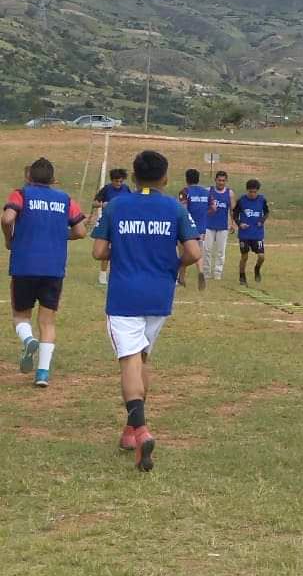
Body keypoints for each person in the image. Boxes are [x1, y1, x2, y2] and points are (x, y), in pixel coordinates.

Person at [92, 149, 202, 471]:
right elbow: (194, 251)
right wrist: (171, 262)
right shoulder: (173, 207)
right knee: (141, 358)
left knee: (129, 360)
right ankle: (130, 429)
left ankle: (141, 429)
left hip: (125, 295)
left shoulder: (116, 205)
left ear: (133, 176)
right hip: (159, 295)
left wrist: (123, 247)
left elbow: (99, 251)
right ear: (165, 178)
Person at [3, 158, 87, 387]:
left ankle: (28, 339)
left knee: (21, 315)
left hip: (24, 265)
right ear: (53, 180)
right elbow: (80, 231)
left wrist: (9, 238)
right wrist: (60, 235)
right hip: (54, 267)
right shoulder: (65, 199)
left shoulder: (21, 194)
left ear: (29, 176)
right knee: (48, 322)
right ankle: (42, 373)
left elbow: (7, 217)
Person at [90, 169, 131, 284]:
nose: (119, 184)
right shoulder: (106, 189)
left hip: (122, 221)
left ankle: (121, 272)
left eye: (121, 181)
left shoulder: (126, 189)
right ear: (112, 180)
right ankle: (103, 274)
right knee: (104, 247)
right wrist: (103, 204)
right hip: (108, 221)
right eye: (117, 181)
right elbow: (94, 203)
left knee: (122, 246)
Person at [178, 169, 212, 290]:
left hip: (187, 227)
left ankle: (181, 278)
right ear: (198, 179)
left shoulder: (185, 191)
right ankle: (201, 271)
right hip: (202, 227)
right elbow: (213, 207)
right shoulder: (206, 192)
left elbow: (183, 209)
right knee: (199, 251)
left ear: (187, 179)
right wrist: (203, 214)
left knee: (183, 252)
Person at [234, 179, 268, 285]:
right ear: (247, 190)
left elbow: (266, 213)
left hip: (257, 233)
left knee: (261, 256)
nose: (252, 194)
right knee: (244, 256)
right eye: (250, 192)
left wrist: (261, 221)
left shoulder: (262, 200)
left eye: (254, 192)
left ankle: (257, 269)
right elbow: (235, 214)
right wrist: (240, 224)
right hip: (244, 234)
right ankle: (242, 275)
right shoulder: (241, 201)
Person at [203, 170, 235, 281]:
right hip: (209, 225)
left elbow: (232, 210)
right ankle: (206, 272)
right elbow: (202, 206)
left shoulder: (229, 193)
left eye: (223, 181)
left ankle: (217, 272)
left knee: (221, 251)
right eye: (219, 180)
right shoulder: (208, 191)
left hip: (223, 227)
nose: (221, 183)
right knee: (207, 250)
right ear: (215, 180)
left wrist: (233, 223)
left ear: (226, 181)